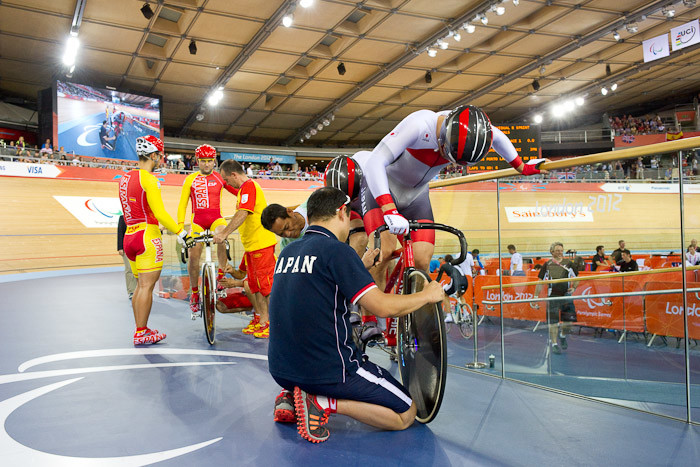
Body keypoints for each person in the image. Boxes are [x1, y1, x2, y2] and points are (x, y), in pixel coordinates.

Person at [267, 187, 445, 443]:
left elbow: (318, 284)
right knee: (406, 413)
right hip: (329, 369)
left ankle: (292, 392)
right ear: (342, 212)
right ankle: (321, 402)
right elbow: (381, 307)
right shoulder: (337, 251)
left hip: (281, 368)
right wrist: (427, 295)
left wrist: (357, 268)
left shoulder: (287, 252)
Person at [118, 135, 192, 345]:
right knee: (146, 287)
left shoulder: (124, 178)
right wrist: (181, 232)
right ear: (152, 155)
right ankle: (141, 332)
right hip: (147, 237)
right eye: (160, 155)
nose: (161, 159)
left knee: (139, 287)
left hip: (130, 235)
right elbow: (159, 213)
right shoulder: (150, 179)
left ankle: (142, 328)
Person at [213, 159, 277, 338]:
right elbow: (235, 194)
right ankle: (262, 320)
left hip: (261, 245)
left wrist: (225, 233)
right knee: (255, 287)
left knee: (265, 287)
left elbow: (243, 212)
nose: (227, 183)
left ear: (234, 174)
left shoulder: (249, 187)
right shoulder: (243, 190)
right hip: (253, 246)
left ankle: (270, 323)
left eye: (226, 179)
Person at [177, 144, 238, 316]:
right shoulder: (190, 179)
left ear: (214, 161)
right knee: (194, 255)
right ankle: (195, 293)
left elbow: (237, 191)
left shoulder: (219, 178)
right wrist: (181, 228)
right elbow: (182, 205)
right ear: (197, 161)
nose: (206, 164)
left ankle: (220, 275)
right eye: (203, 161)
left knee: (222, 234)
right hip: (197, 222)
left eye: (210, 161)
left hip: (215, 219)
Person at [533, 242, 578, 355]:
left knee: (568, 321)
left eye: (561, 250)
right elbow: (540, 282)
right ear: (552, 252)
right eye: (557, 250)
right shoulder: (547, 265)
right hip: (552, 296)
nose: (560, 252)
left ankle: (562, 335)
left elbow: (577, 277)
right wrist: (535, 296)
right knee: (553, 322)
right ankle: (554, 344)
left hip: (566, 296)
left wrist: (574, 288)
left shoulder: (569, 264)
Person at [436, 254, 467, 321]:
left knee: (445, 294)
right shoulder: (457, 265)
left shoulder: (444, 266)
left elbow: (438, 278)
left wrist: (433, 284)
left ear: (445, 260)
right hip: (465, 281)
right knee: (460, 296)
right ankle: (465, 313)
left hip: (456, 282)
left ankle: (449, 316)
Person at [117, 215, 137, 299]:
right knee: (129, 269)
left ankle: (139, 290)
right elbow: (120, 232)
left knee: (139, 270)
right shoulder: (122, 218)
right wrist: (120, 248)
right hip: (126, 248)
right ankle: (131, 291)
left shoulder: (139, 217)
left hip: (138, 247)